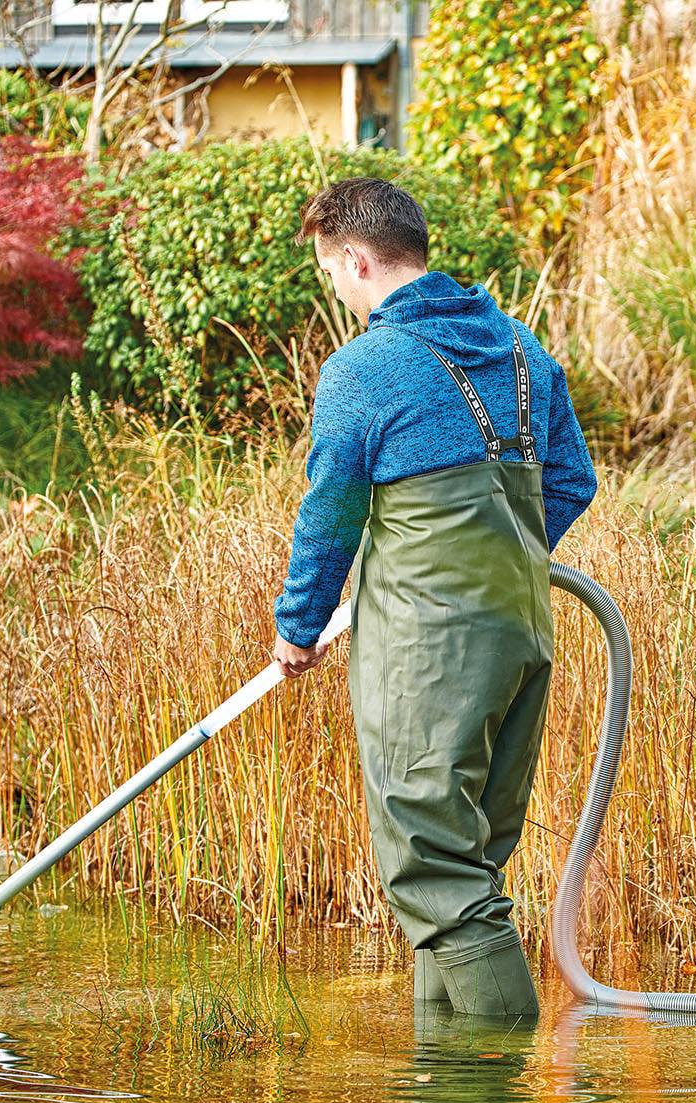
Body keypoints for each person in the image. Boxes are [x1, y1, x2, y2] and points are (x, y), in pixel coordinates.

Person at [271, 177, 597, 1018]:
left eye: (332, 272)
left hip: (429, 651)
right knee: (470, 864)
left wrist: (298, 627)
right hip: (522, 631)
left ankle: (499, 1077)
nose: (337, 290)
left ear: (357, 258)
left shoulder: (365, 368)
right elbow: (571, 480)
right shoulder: (523, 350)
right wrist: (496, 561)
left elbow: (332, 511)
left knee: (431, 861)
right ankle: (449, 1099)